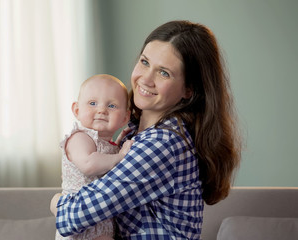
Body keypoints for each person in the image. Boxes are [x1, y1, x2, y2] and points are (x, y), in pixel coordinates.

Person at [50, 20, 241, 239]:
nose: (146, 79)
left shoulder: (163, 142)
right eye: (144, 62)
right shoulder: (133, 132)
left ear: (189, 89)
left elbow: (74, 215)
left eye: (164, 73)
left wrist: (55, 201)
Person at [55, 74, 134, 240]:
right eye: (93, 103)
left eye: (112, 106)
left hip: (100, 219)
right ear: (77, 110)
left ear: (125, 118)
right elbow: (89, 163)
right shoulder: (79, 137)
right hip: (79, 219)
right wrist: (120, 156)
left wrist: (118, 145)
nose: (101, 110)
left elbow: (104, 154)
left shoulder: (106, 144)